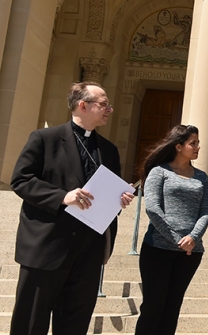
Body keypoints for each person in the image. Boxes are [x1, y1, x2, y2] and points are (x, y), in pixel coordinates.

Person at [9, 82, 134, 334]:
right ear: (83, 105)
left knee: (75, 324)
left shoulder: (109, 150)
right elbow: (21, 180)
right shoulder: (44, 138)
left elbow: (107, 194)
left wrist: (119, 200)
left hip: (88, 251)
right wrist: (62, 197)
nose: (109, 109)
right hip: (47, 247)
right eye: (103, 104)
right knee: (31, 322)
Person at [135, 124, 208, 335]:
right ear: (179, 146)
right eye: (193, 143)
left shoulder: (202, 177)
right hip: (158, 249)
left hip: (190, 253)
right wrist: (177, 239)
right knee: (152, 307)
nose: (198, 147)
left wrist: (193, 238)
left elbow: (205, 212)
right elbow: (152, 208)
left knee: (172, 309)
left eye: (198, 143)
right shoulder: (159, 172)